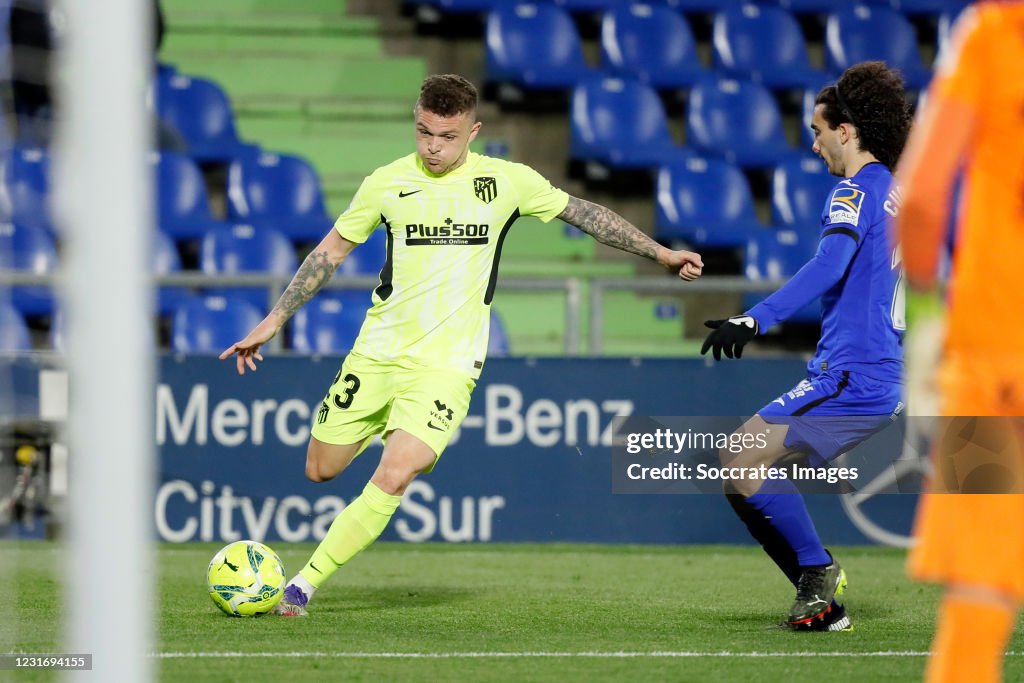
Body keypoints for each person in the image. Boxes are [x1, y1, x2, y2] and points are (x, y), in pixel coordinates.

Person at [219, 74, 704, 616]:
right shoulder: (386, 182)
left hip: (448, 365)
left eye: (446, 137)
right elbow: (328, 254)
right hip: (377, 352)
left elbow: (586, 215)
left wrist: (661, 254)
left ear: (472, 131)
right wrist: (274, 319)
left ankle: (302, 586)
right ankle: (387, 425)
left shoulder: (507, 182)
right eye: (424, 132)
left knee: (396, 472)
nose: (432, 147)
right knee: (321, 469)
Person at [698, 61, 911, 631]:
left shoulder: (855, 192)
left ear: (847, 130)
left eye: (818, 131)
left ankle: (819, 578)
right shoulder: (897, 194)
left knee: (742, 457)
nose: (813, 145)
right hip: (873, 373)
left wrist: (754, 319)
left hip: (853, 375)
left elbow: (829, 262)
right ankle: (820, 599)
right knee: (741, 470)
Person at [896, 3, 1024, 681]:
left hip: (992, 358)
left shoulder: (992, 33)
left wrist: (925, 319)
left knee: (979, 591)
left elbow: (918, 202)